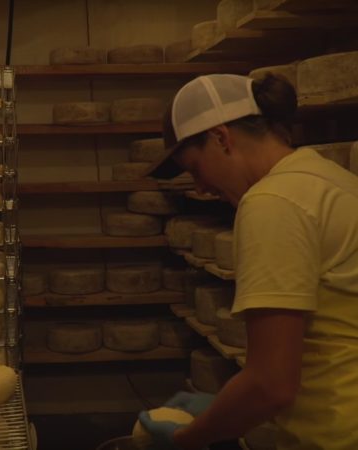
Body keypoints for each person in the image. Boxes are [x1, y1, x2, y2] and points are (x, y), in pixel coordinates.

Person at [137, 73, 358, 450]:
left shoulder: (272, 202)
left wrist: (190, 437)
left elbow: (271, 384)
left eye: (195, 169)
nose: (201, 187)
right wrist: (226, 409)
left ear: (222, 138)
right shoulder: (330, 178)